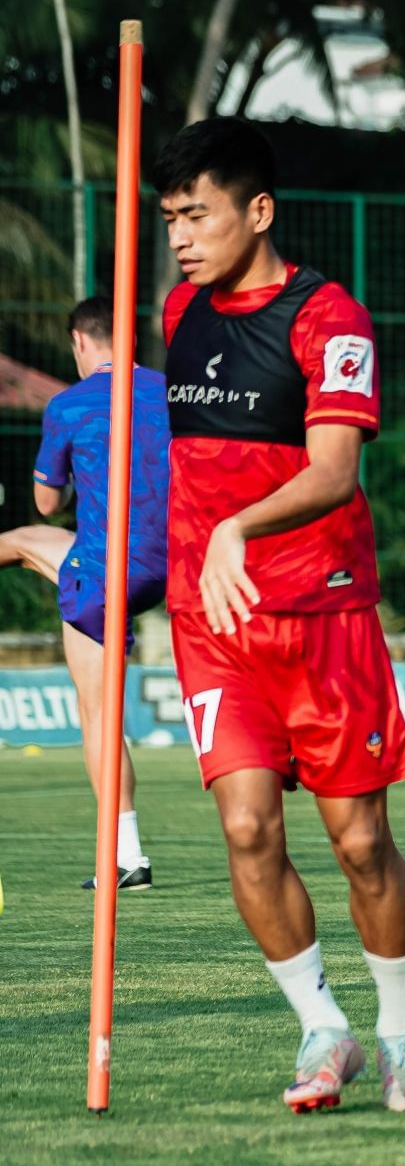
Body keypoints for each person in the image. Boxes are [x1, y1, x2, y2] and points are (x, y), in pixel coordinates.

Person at [158, 116, 405, 1111]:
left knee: (361, 842)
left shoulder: (331, 317)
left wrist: (235, 525)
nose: (182, 238)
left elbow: (333, 470)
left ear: (258, 210)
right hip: (215, 623)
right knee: (245, 828)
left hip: (324, 616)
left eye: (198, 215)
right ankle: (324, 1030)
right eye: (170, 220)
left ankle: (402, 1028)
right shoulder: (174, 311)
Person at [0, 296, 169, 891]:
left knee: (97, 713)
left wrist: (71, 485)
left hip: (106, 571)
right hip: (177, 562)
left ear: (79, 341)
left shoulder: (69, 404)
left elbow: (50, 502)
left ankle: (127, 857)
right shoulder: (172, 393)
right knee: (24, 542)